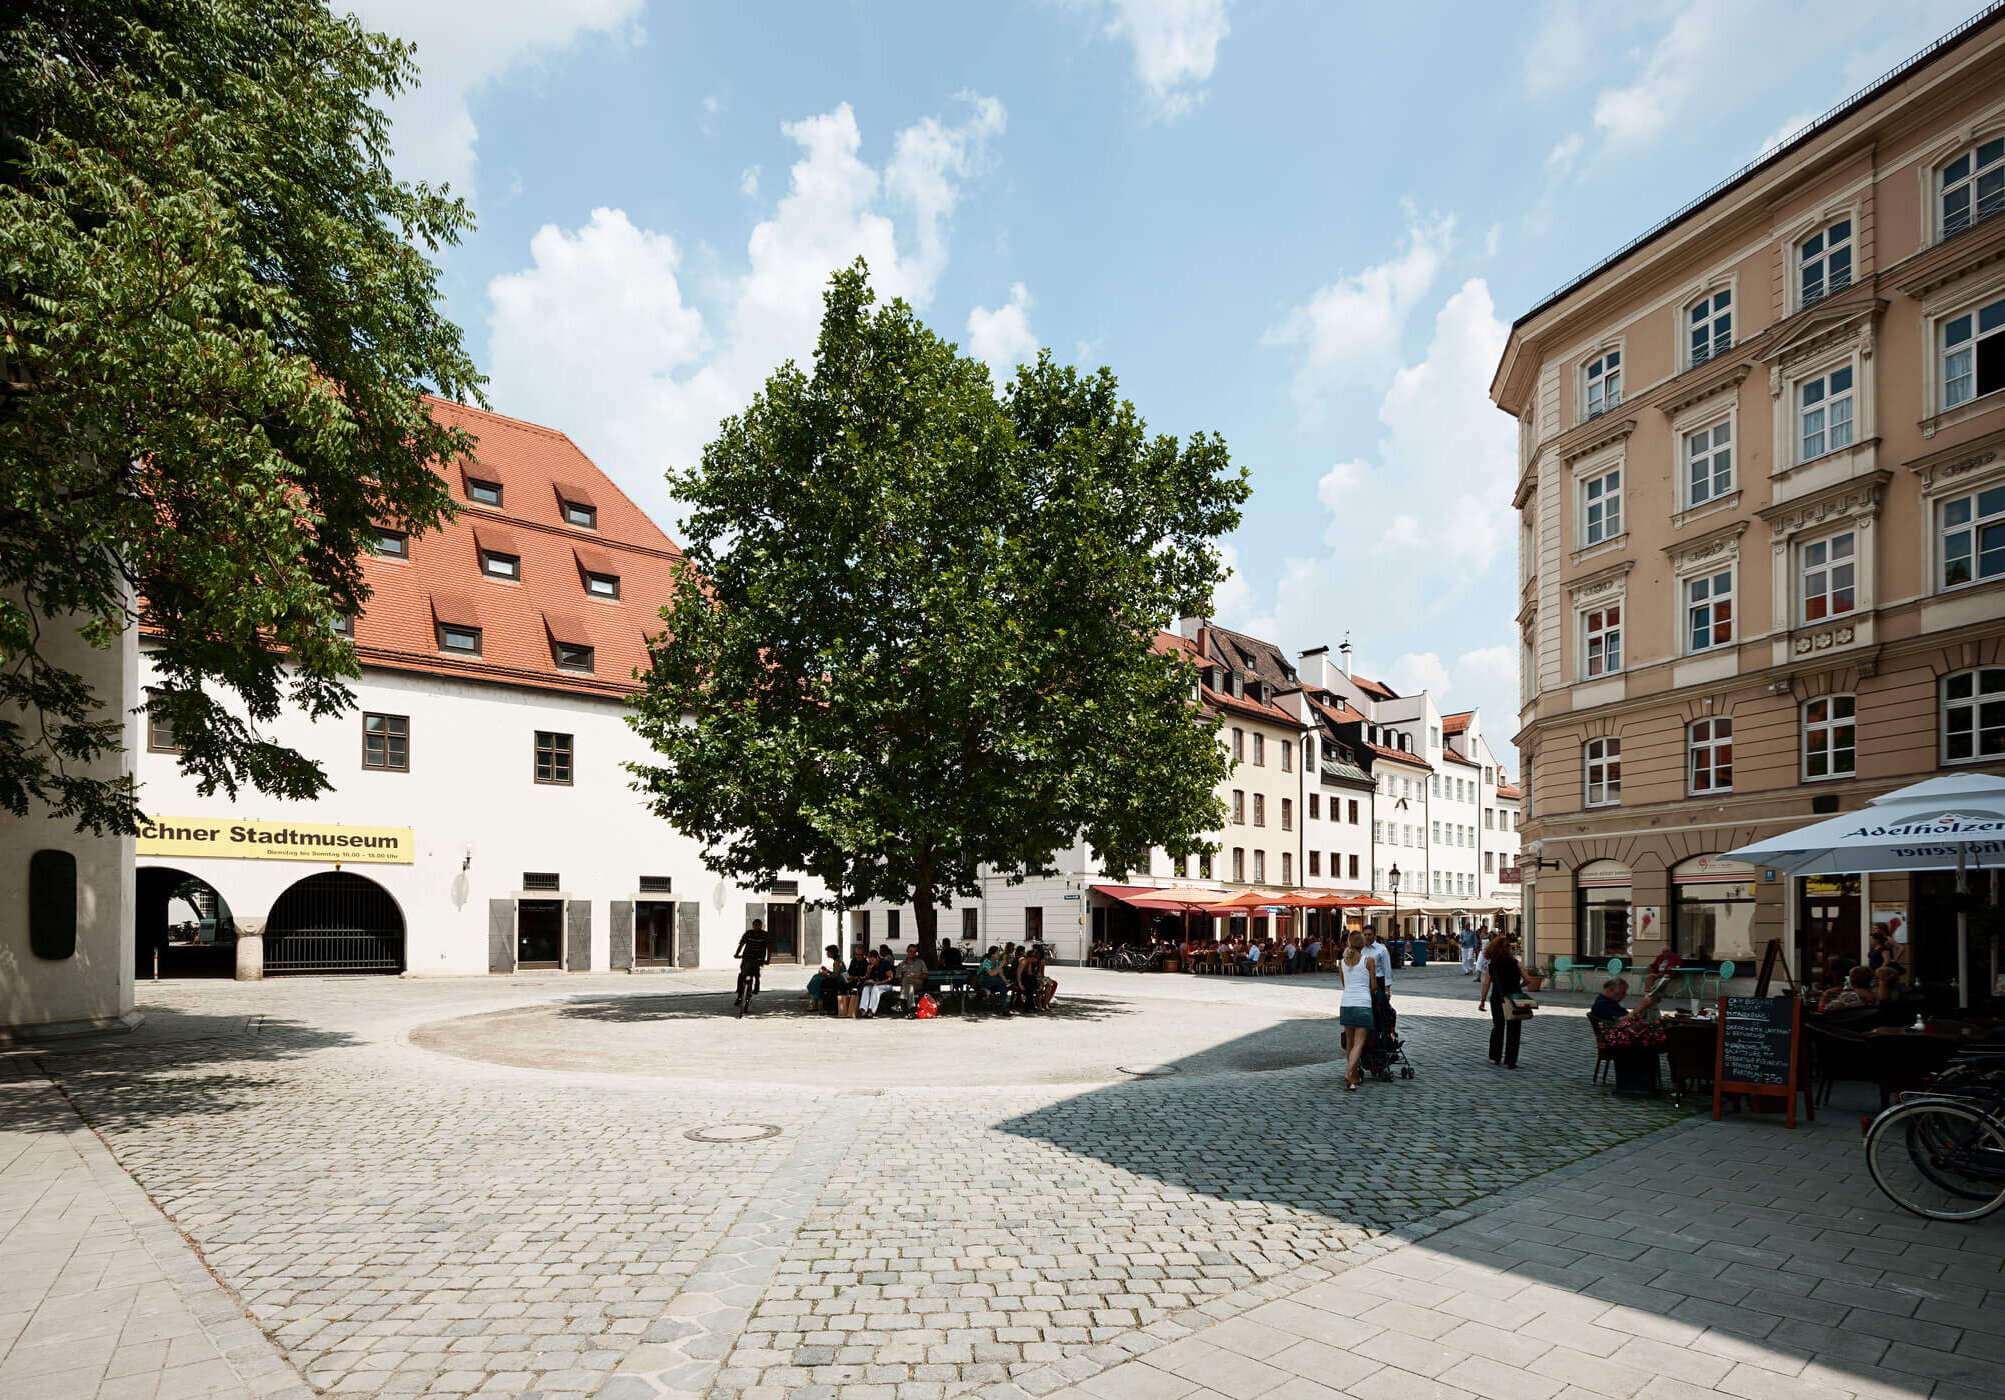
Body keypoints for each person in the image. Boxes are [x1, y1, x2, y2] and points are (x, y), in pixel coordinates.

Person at [1477, 934, 1524, 1069]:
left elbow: (1486, 984)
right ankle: (1511, 1060)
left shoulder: (1492, 966)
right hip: (1514, 999)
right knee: (1514, 1029)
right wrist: (1518, 986)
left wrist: (1482, 1000)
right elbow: (1528, 980)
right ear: (1508, 949)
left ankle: (1495, 1057)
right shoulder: (1517, 963)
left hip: (1498, 999)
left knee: (1498, 1026)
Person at [1338, 932, 1377, 1090]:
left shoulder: (1342, 962)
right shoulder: (1369, 961)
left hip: (1346, 1004)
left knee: (1349, 1042)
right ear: (1363, 944)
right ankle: (1349, 1073)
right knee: (1359, 1043)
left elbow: (1344, 985)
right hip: (1362, 1005)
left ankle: (1354, 1077)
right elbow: (1373, 986)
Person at [1589, 977, 1667, 1050]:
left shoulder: (1609, 1002)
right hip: (1619, 1042)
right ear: (1611, 990)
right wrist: (1643, 1005)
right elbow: (1622, 1020)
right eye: (1622, 993)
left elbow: (1627, 1018)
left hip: (1622, 1036)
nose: (1624, 996)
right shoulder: (1602, 1004)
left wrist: (1647, 1005)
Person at [733, 918, 770, 1007]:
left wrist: (768, 959)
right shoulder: (748, 933)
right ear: (753, 926)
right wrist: (737, 954)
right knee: (742, 974)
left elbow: (769, 948)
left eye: (759, 925)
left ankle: (757, 982)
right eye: (755, 925)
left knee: (756, 972)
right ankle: (739, 995)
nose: (757, 927)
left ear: (761, 926)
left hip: (759, 957)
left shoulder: (765, 935)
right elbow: (741, 945)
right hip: (747, 956)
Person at [805, 942, 846, 1016]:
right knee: (817, 976)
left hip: (838, 981)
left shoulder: (837, 961)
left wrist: (826, 975)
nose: (827, 954)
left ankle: (811, 996)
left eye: (828, 952)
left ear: (832, 953)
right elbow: (835, 973)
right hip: (836, 979)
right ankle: (812, 997)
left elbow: (836, 976)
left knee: (817, 978)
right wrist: (827, 971)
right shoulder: (837, 961)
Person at [858, 945, 897, 1018]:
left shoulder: (884, 963)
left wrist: (880, 982)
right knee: (866, 988)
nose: (871, 962)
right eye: (870, 960)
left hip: (887, 985)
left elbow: (890, 977)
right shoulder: (871, 966)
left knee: (876, 989)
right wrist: (868, 972)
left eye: (873, 960)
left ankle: (871, 1011)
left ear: (877, 958)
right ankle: (863, 1010)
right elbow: (867, 978)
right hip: (876, 984)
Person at [975, 945, 1011, 1012]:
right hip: (982, 981)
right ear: (992, 954)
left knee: (1003, 987)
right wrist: (1001, 965)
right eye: (997, 953)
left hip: (993, 982)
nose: (999, 954)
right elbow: (991, 974)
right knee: (995, 979)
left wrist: (1006, 982)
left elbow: (1001, 974)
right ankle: (1004, 1008)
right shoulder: (986, 961)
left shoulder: (997, 962)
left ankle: (1005, 1010)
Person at [898, 944, 930, 1014]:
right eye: (910, 951)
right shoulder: (901, 964)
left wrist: (917, 976)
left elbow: (925, 975)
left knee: (907, 982)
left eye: (914, 952)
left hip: (917, 984)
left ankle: (901, 1002)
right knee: (909, 987)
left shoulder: (920, 962)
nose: (912, 953)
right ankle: (912, 1010)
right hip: (907, 986)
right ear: (907, 951)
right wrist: (902, 975)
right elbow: (899, 979)